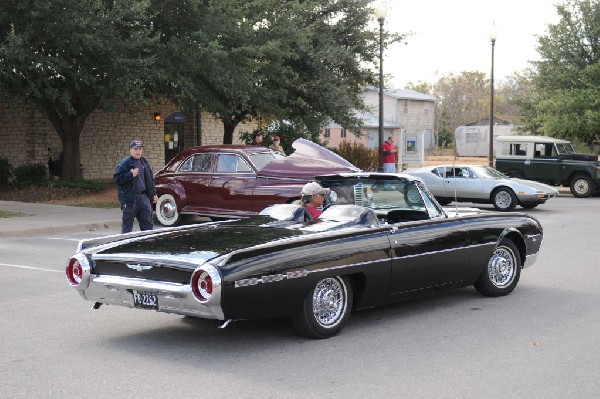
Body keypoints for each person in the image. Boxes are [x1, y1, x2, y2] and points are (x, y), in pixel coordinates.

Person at [114, 139, 158, 234]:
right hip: (130, 199)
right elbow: (117, 178)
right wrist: (130, 175)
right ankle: (125, 245)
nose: (138, 151)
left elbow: (150, 179)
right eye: (136, 149)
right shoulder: (125, 163)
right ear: (130, 150)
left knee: (148, 224)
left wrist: (153, 194)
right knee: (127, 226)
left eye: (140, 149)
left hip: (143, 197)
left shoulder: (144, 161)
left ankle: (147, 245)